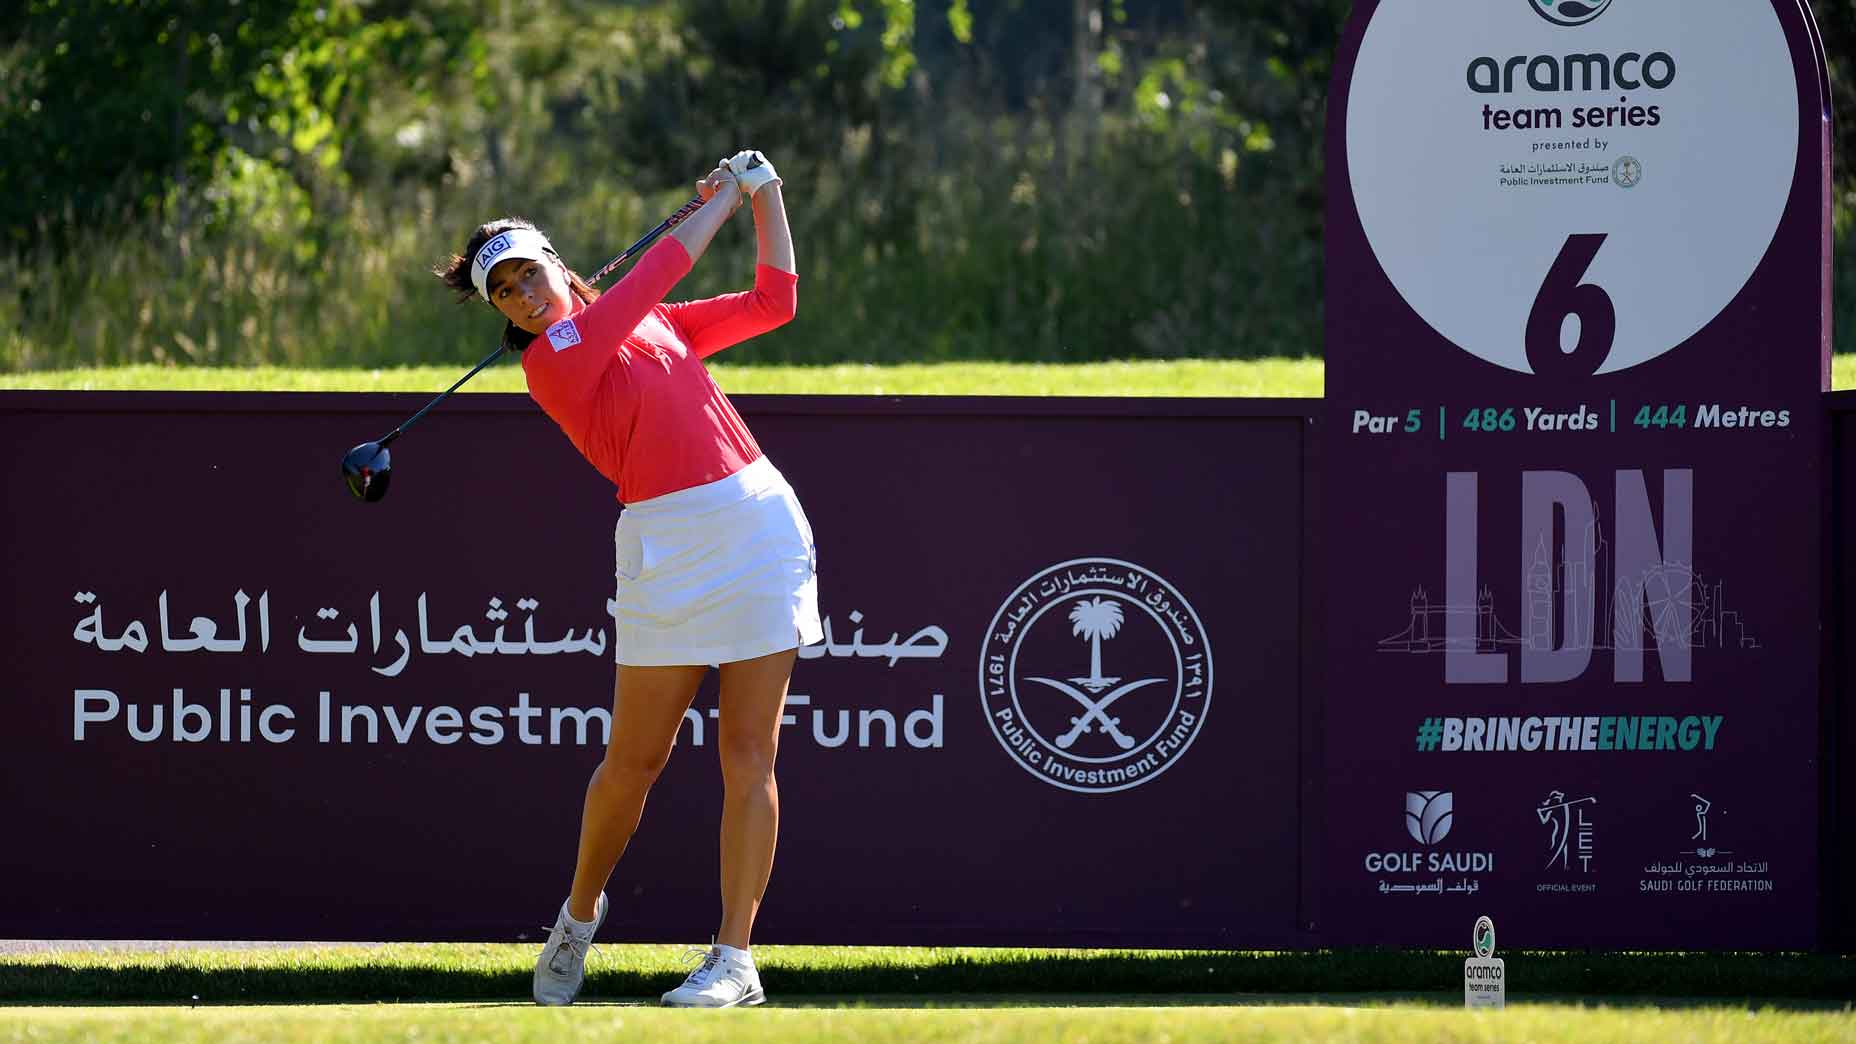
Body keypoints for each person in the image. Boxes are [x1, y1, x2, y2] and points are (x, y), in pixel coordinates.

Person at [435, 150, 821, 1009]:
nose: (526, 298)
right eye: (506, 293)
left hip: (758, 521)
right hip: (665, 548)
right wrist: (723, 196)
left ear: (554, 263)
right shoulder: (555, 358)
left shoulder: (649, 323)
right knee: (633, 761)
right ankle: (577, 916)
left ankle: (734, 959)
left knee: (749, 752)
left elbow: (775, 303)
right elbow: (657, 270)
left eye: (530, 275)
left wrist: (766, 197)